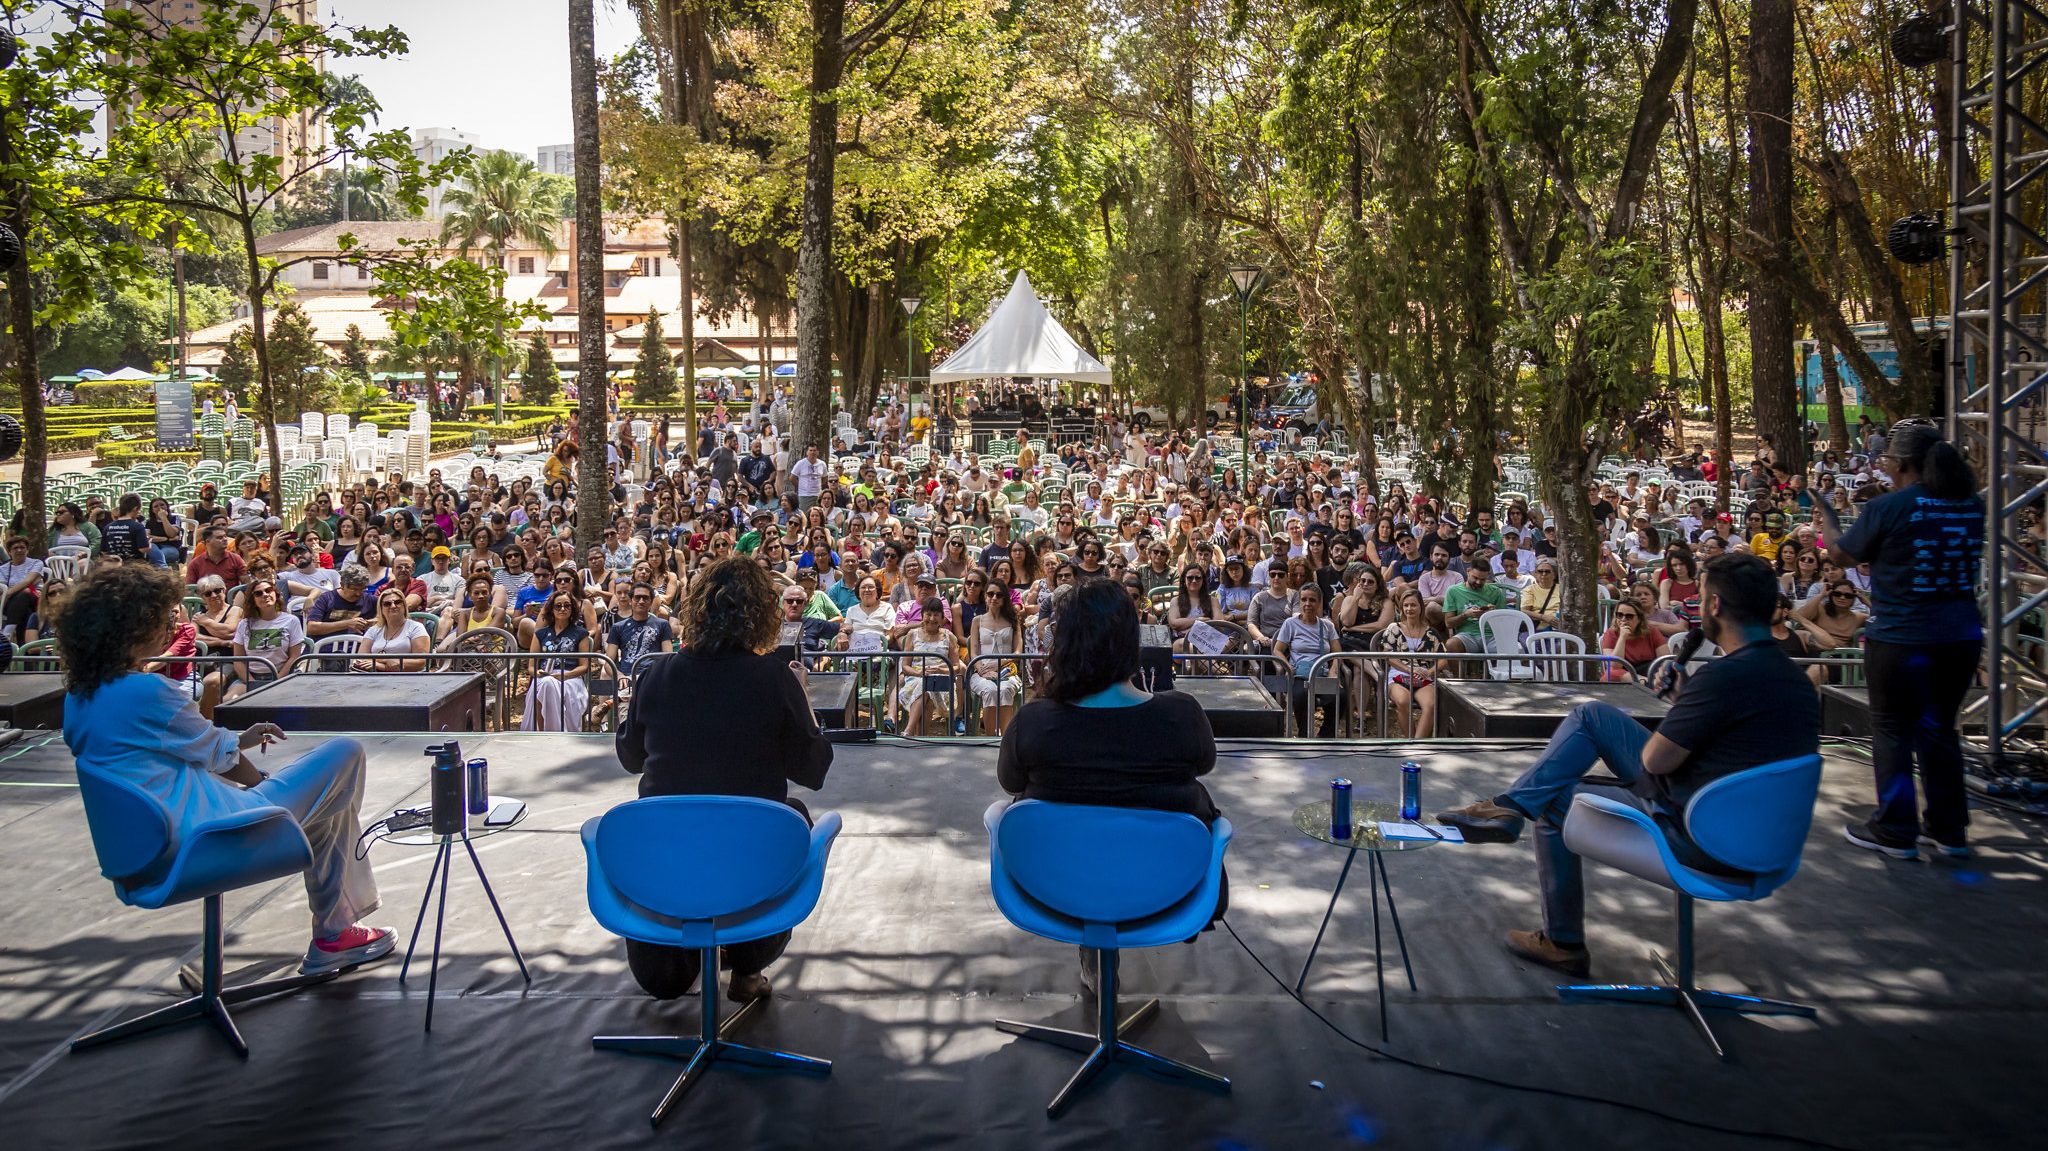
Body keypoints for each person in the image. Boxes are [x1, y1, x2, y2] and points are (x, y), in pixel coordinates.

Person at [1434, 554, 1819, 974]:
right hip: (1764, 838)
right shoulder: (1795, 680)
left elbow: (1657, 760)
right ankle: (1510, 807)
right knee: (1591, 715)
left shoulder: (1724, 677)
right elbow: (1738, 746)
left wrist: (1684, 705)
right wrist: (1684, 700)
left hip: (1698, 832)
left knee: (1556, 799)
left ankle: (1561, 940)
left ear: (1713, 606)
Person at [55, 566, 396, 973]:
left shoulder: (80, 699)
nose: (173, 624)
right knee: (345, 754)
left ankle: (335, 931)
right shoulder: (146, 691)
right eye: (164, 617)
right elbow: (224, 759)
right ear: (132, 627)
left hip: (143, 854)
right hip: (210, 837)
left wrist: (241, 741)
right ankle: (334, 933)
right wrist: (265, 790)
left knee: (328, 806)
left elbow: (180, 746)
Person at [612, 557, 832, 1004]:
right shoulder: (773, 678)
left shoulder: (656, 676)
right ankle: (747, 967)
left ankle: (686, 950)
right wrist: (803, 698)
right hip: (747, 874)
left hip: (667, 877)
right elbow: (814, 769)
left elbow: (629, 757)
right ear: (760, 613)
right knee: (794, 816)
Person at [996, 577, 1224, 991]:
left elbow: (1009, 781)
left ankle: (1093, 953)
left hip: (1053, 884)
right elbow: (1204, 764)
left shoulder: (1033, 721)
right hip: (1165, 888)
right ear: (1129, 641)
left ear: (1063, 644)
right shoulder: (1182, 715)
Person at [1816, 421, 1985, 859]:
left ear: (1904, 463)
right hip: (1960, 637)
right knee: (1938, 729)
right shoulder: (1971, 505)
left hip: (1902, 638)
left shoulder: (1890, 507)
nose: (1886, 469)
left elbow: (1841, 554)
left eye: (1890, 461)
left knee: (1892, 729)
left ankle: (1895, 828)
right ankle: (1949, 830)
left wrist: (1829, 519)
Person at [522, 592, 592, 730]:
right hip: (544, 677)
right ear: (551, 609)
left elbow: (584, 666)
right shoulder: (540, 634)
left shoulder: (581, 633)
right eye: (558, 606)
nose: (562, 609)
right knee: (546, 684)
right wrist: (538, 673)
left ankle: (550, 733)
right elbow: (531, 667)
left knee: (547, 685)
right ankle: (546, 733)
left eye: (567, 605)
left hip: (570, 678)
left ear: (572, 609)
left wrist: (564, 676)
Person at [353, 587, 430, 672]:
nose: (393, 606)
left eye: (398, 602)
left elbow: (420, 662)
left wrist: (382, 665)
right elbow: (361, 658)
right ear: (381, 609)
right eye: (387, 604)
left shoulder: (416, 628)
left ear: (404, 606)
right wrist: (386, 663)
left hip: (404, 677)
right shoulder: (373, 630)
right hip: (373, 676)